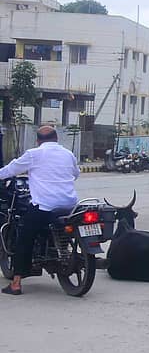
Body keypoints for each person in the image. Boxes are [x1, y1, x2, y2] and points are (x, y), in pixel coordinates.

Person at [0, 126, 79, 295]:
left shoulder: (34, 154)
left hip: (45, 206)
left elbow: (11, 170)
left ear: (38, 141)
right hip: (70, 205)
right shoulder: (68, 154)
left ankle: (16, 283)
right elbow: (75, 174)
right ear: (56, 138)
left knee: (24, 236)